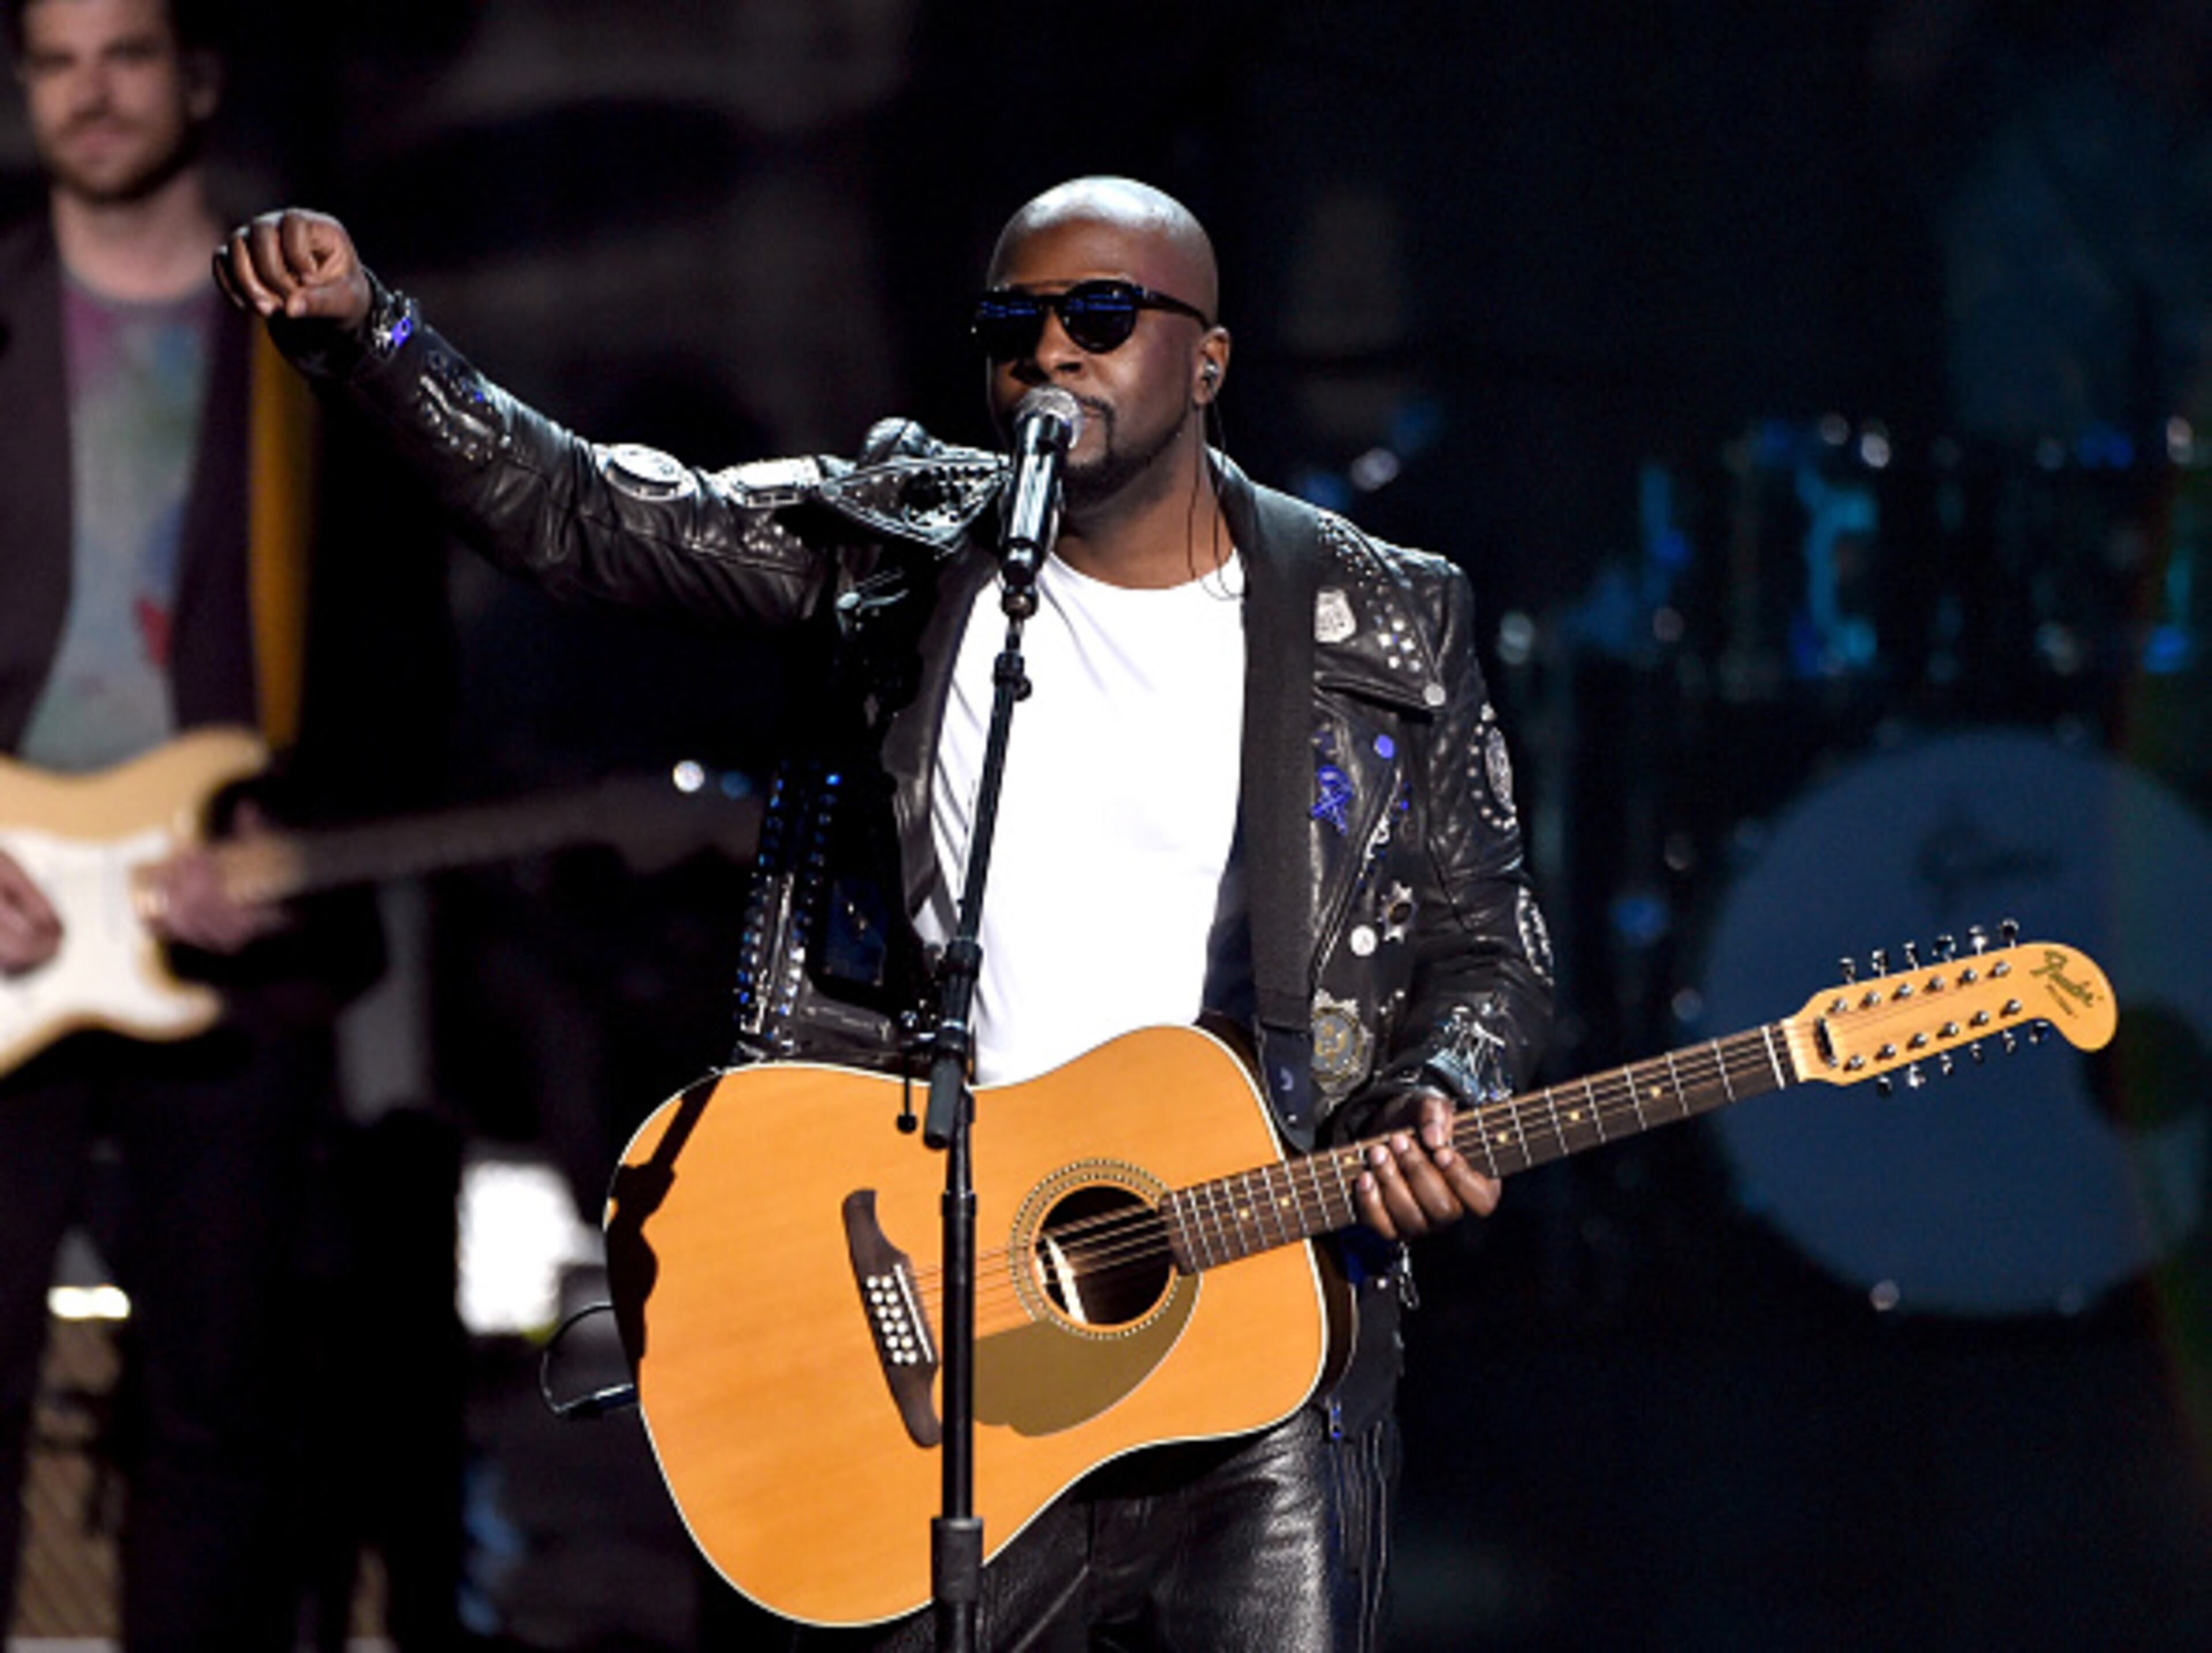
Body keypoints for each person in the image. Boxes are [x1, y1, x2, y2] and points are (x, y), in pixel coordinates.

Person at [219, 173, 1555, 1652]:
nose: (1051, 353)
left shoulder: (1381, 612)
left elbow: (1490, 939)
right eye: (1014, 325)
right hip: (953, 1330)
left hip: (1253, 1341)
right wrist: (373, 340)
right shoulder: (902, 550)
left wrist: (1442, 1089)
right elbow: (592, 515)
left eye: (1100, 315)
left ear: (1210, 359)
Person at [0, 2, 450, 1647]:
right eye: (56, 59)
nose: (89, 92)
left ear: (195, 78)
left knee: (221, 1417)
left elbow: (407, 658)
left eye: (124, 53)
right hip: (6, 924)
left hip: (235, 945)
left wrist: (292, 832)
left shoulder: (314, 338)